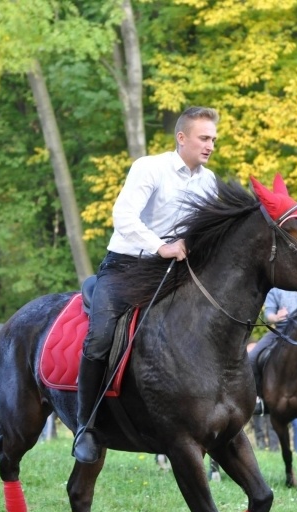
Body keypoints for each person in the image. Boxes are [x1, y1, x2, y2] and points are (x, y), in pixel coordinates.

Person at [74, 106, 220, 463]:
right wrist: (161, 246)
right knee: (100, 338)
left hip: (175, 270)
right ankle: (85, 425)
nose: (210, 145)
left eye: (214, 139)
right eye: (204, 138)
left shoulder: (209, 180)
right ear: (181, 138)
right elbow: (122, 216)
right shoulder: (149, 167)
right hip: (125, 266)